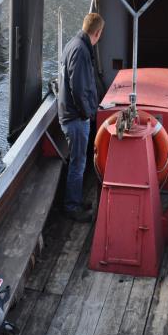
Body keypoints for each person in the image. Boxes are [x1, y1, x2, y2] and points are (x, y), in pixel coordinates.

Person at [58, 13, 105, 222]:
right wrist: (87, 112)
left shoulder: (74, 44)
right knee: (78, 163)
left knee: (79, 161)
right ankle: (72, 206)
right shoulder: (81, 50)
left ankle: (75, 199)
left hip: (74, 115)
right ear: (98, 32)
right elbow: (77, 88)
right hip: (76, 118)